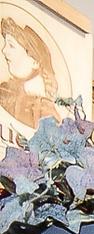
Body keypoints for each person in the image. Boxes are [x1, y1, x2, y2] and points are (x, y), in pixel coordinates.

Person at [0, 15, 64, 146]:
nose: (4, 50)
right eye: (5, 44)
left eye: (11, 45)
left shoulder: (45, 111)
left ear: (35, 61)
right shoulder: (4, 92)